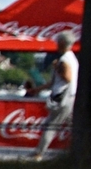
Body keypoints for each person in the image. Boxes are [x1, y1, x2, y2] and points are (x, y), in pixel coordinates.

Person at [33, 31, 78, 159]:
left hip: (62, 97)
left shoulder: (64, 60)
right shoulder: (72, 57)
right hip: (69, 96)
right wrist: (37, 89)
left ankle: (39, 153)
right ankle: (72, 152)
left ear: (62, 43)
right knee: (71, 125)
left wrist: (56, 67)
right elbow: (53, 81)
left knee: (50, 126)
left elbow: (67, 77)